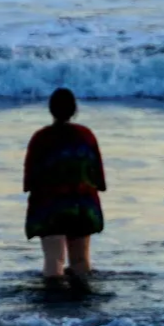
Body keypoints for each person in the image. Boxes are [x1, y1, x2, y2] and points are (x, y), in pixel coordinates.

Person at [24, 88, 106, 290]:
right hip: (82, 204)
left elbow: (29, 180)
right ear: (74, 110)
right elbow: (98, 178)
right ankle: (82, 310)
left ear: (51, 110)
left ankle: (54, 312)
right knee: (80, 262)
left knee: (54, 260)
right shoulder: (86, 136)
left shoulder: (41, 138)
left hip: (50, 206)